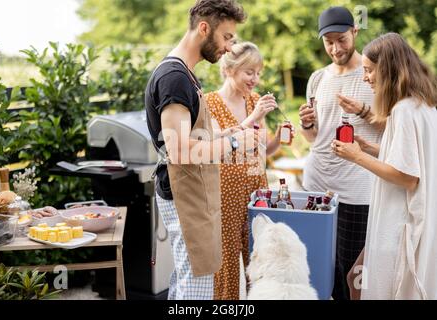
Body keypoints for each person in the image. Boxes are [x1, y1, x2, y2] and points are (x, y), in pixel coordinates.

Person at [145, 0, 256, 300]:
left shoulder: (186, 74)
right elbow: (179, 150)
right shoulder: (174, 78)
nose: (230, 48)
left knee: (186, 279)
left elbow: (190, 136)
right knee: (196, 289)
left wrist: (226, 132)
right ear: (204, 28)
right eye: (227, 37)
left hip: (192, 193)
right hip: (185, 196)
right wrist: (233, 144)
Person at [334, 33, 437, 299]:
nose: (365, 77)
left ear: (387, 69)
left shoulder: (403, 110)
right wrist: (371, 148)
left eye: (369, 70)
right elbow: (416, 159)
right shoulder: (423, 106)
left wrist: (357, 157)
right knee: (356, 276)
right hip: (417, 221)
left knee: (380, 287)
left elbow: (407, 176)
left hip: (399, 223)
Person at [298, 6, 384, 300]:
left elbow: (395, 127)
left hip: (358, 190)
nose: (335, 48)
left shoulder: (373, 75)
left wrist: (362, 110)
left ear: (355, 32)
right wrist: (306, 123)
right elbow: (313, 138)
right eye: (328, 42)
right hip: (317, 185)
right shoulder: (317, 78)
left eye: (341, 39)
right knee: (319, 267)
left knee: (353, 273)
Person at [205, 41, 290, 300]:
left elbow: (263, 149)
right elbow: (216, 146)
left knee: (260, 256)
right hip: (225, 192)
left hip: (256, 188)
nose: (255, 79)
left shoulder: (254, 100)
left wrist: (278, 138)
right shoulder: (209, 102)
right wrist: (253, 118)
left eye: (258, 72)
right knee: (227, 261)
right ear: (230, 70)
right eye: (249, 72)